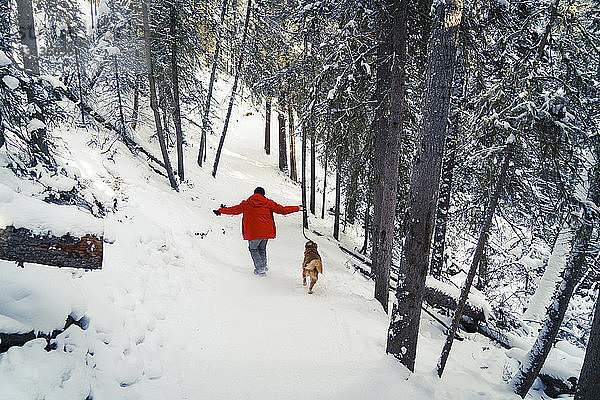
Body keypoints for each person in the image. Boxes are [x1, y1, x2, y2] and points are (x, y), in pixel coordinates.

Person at [213, 187, 302, 276]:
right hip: (266, 233)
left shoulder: (246, 204)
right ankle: (263, 266)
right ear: (263, 194)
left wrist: (221, 210)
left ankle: (260, 269)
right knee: (262, 249)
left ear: (254, 194)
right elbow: (283, 210)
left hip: (253, 233)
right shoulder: (269, 203)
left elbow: (233, 210)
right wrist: (297, 208)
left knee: (253, 249)